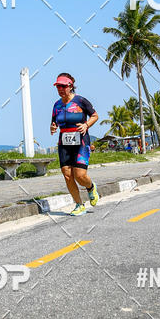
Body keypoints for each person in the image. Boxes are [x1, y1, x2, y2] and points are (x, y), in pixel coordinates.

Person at [50, 73, 99, 216]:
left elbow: (95, 115)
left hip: (81, 141)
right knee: (66, 174)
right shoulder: (57, 105)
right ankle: (79, 205)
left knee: (80, 175)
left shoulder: (81, 101)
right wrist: (52, 128)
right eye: (58, 86)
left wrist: (86, 125)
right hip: (64, 142)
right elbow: (54, 123)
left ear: (70, 86)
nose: (60, 89)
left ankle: (90, 187)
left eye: (63, 86)